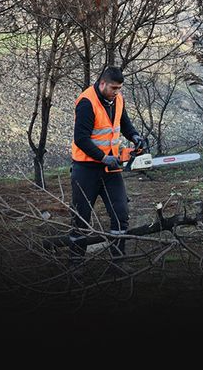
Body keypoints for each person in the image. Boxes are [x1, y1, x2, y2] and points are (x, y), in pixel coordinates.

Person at [69, 67, 142, 275]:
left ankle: (118, 261)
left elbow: (125, 124)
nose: (116, 91)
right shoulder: (87, 102)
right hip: (86, 169)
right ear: (102, 83)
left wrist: (135, 136)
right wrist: (103, 157)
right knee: (81, 217)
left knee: (120, 214)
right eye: (113, 88)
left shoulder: (118, 100)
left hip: (111, 169)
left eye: (119, 88)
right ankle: (76, 263)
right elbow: (81, 139)